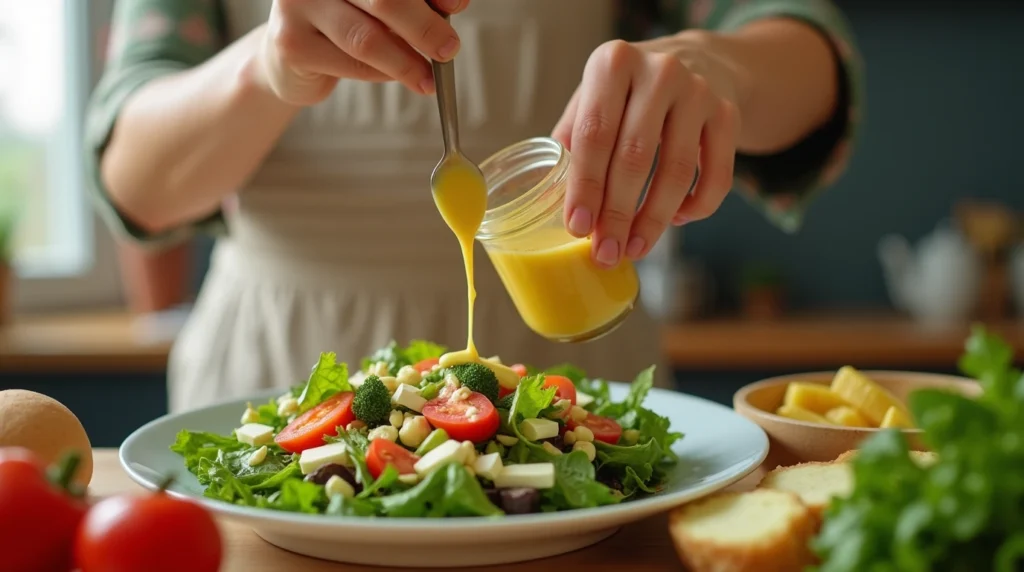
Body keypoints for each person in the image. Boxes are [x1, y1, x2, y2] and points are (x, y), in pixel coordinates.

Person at [86, 0, 862, 412]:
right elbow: (134, 182)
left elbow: (815, 58)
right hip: (278, 370)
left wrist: (718, 63)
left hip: (576, 376)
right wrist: (268, 67)